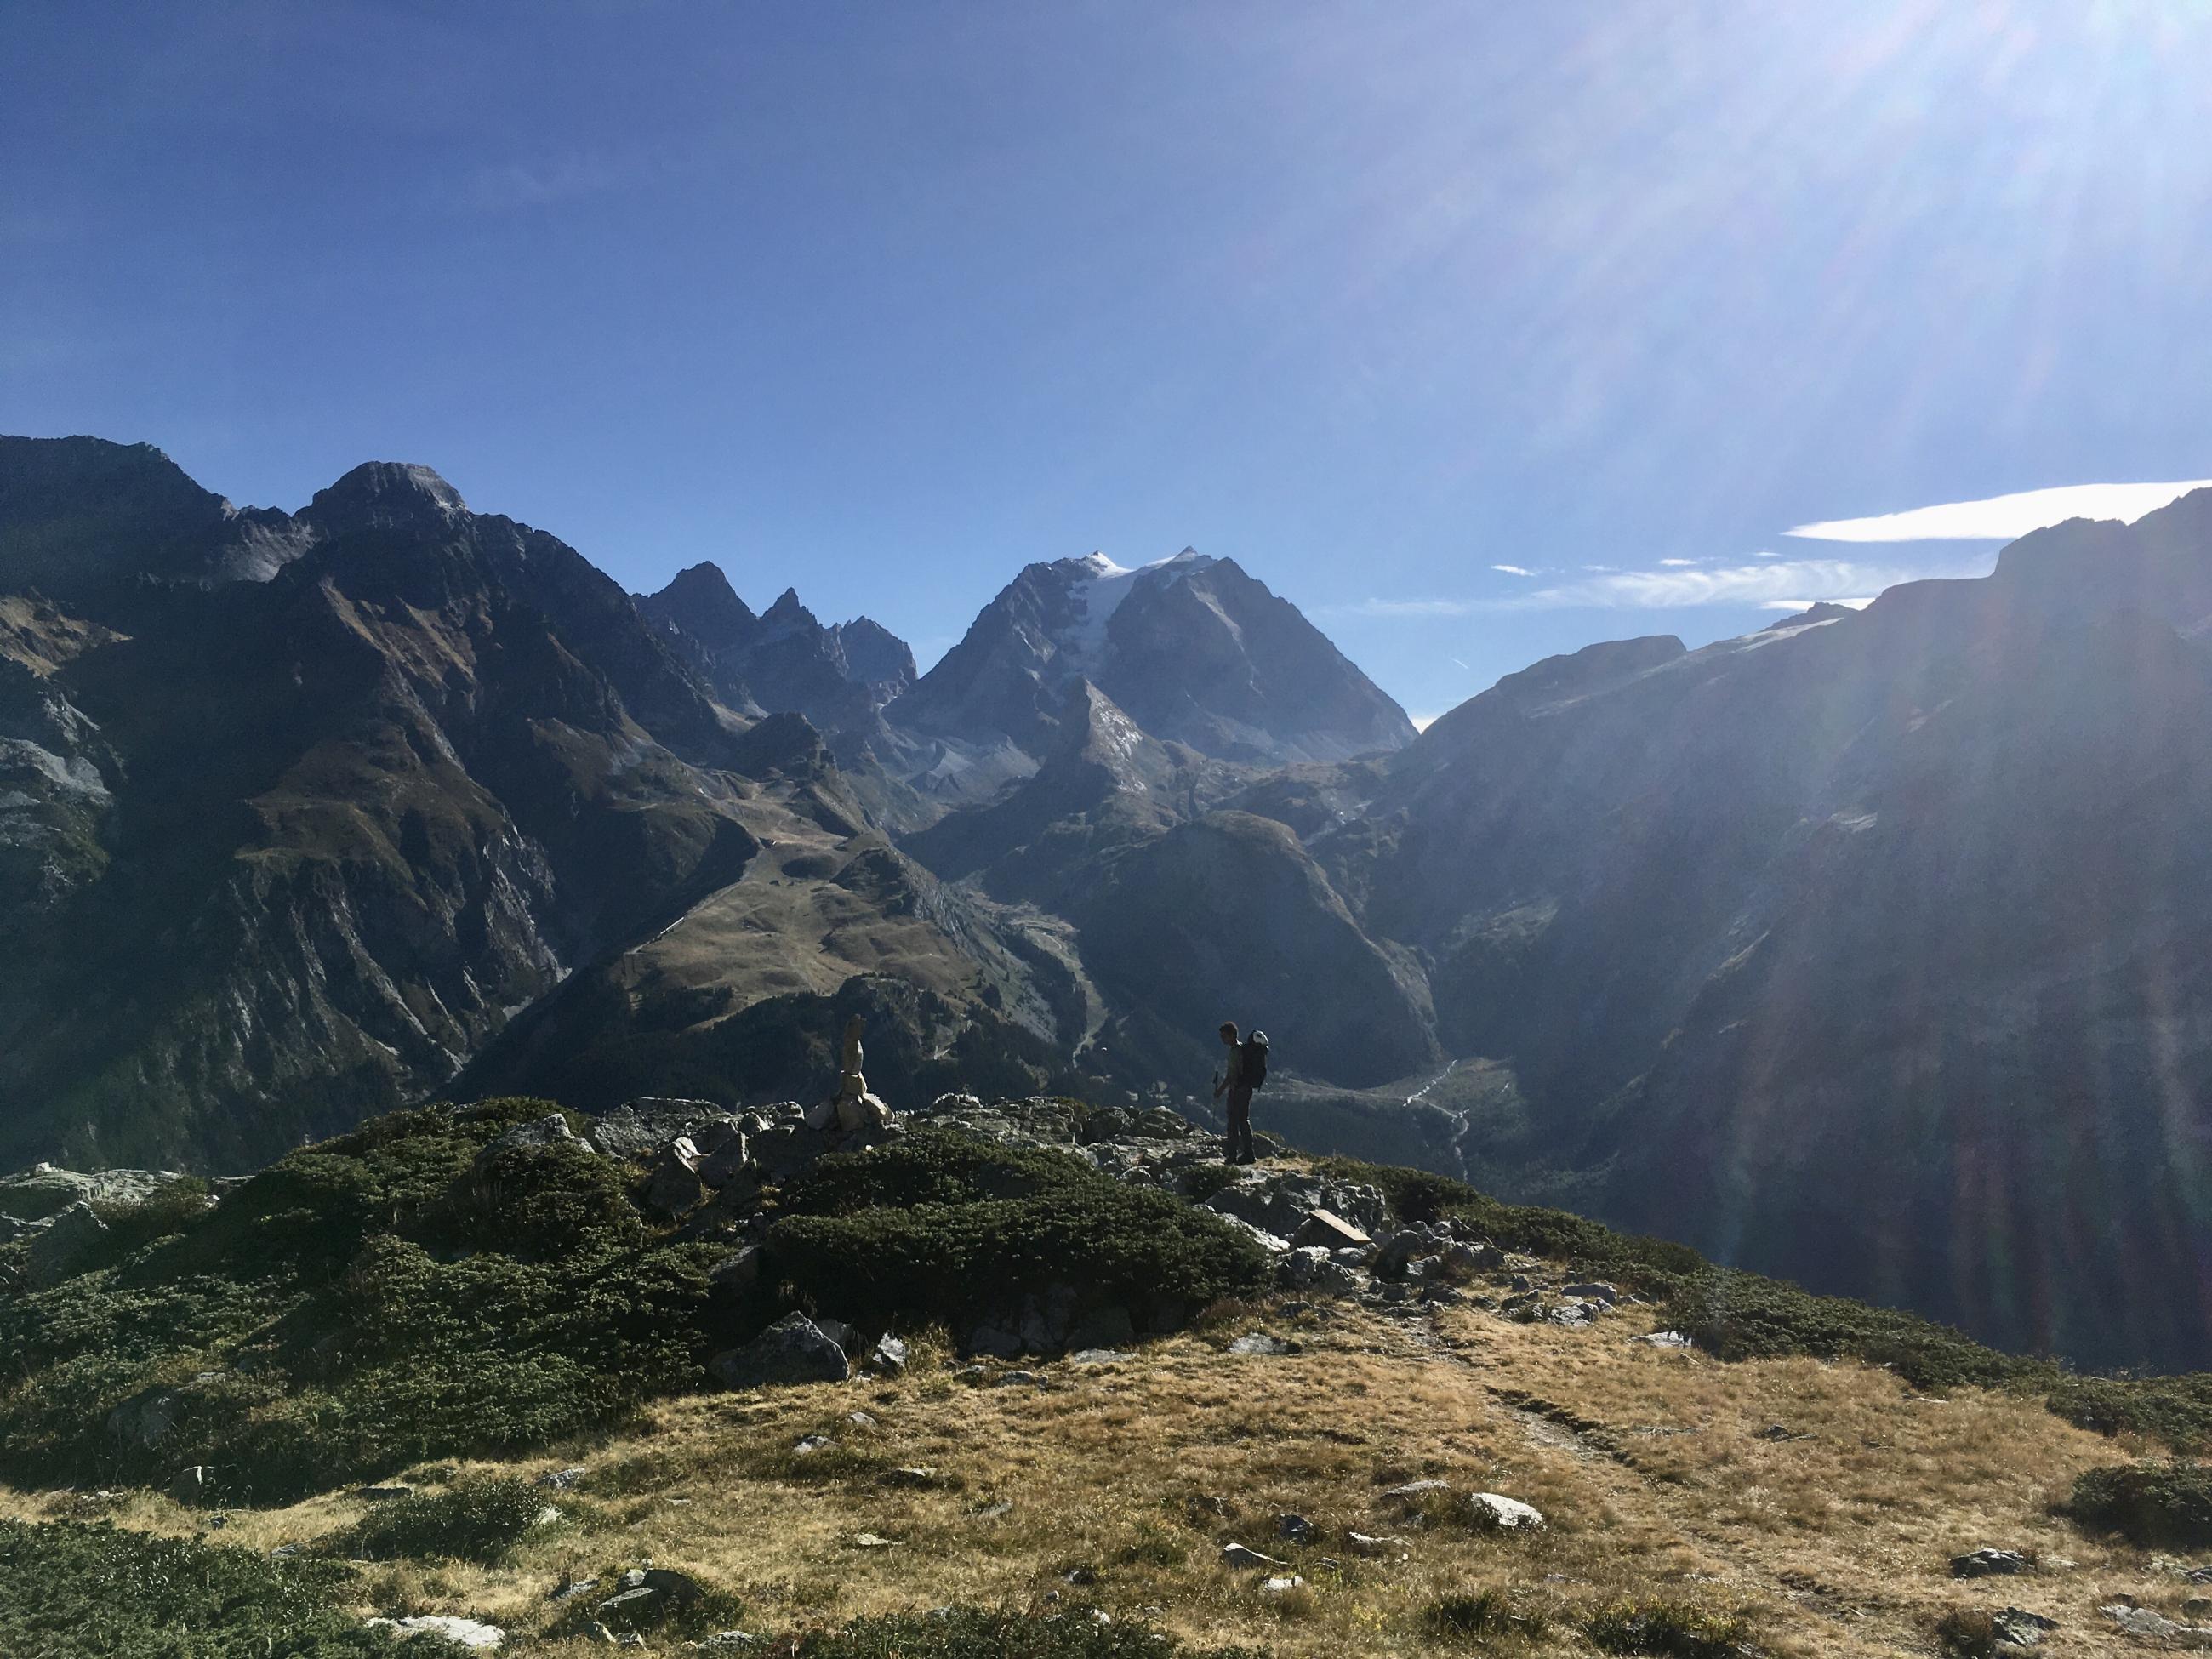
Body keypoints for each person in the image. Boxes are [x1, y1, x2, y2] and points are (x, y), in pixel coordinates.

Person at [1214, 1020, 1255, 1166]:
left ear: (1232, 1035)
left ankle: (1232, 1155)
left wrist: (1220, 1090)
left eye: (1224, 1036)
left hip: (1237, 1091)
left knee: (1233, 1123)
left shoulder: (1234, 1052)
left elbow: (1231, 1075)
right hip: (1246, 1089)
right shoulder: (1242, 1049)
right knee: (1244, 1120)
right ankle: (1249, 1153)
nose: (1222, 1039)